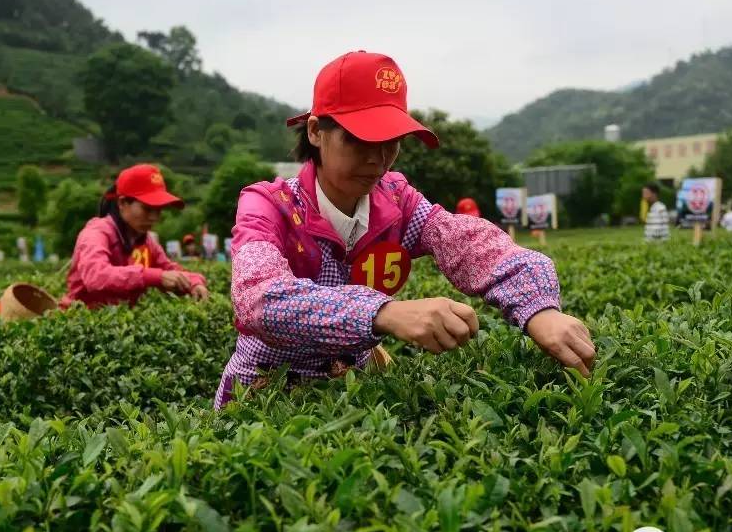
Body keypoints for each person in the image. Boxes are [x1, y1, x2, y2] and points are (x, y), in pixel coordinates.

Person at [215, 50, 594, 409]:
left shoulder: (397, 200)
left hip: (353, 398)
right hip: (262, 400)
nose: (377, 159)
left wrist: (539, 308)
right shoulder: (269, 205)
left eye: (390, 142)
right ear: (316, 131)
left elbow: (467, 242)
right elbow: (260, 299)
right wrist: (383, 313)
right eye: (359, 139)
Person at [61, 164, 209, 308]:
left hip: (119, 320)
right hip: (81, 319)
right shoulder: (96, 233)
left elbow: (170, 269)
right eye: (147, 209)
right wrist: (153, 276)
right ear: (122, 203)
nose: (154, 218)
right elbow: (96, 277)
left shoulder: (146, 240)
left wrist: (194, 282)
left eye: (158, 210)